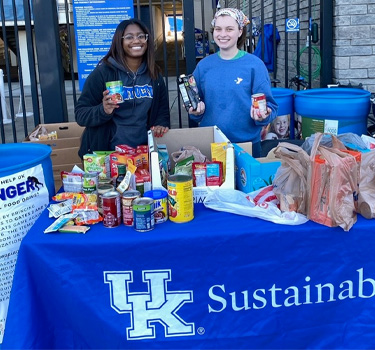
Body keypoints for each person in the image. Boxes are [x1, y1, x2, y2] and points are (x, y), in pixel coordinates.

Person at [188, 8, 278, 157]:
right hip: (212, 144)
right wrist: (196, 112)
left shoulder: (254, 65)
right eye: (218, 29)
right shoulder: (204, 66)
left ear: (240, 31)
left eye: (229, 29)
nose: (223, 34)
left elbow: (271, 107)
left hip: (247, 145)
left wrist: (263, 115)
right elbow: (195, 106)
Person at [75, 18, 170, 158]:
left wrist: (161, 124)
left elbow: (162, 111)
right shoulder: (104, 73)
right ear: (119, 42)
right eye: (129, 37)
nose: (136, 41)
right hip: (107, 155)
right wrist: (103, 110)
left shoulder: (154, 75)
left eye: (141, 36)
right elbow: (80, 114)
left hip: (142, 154)